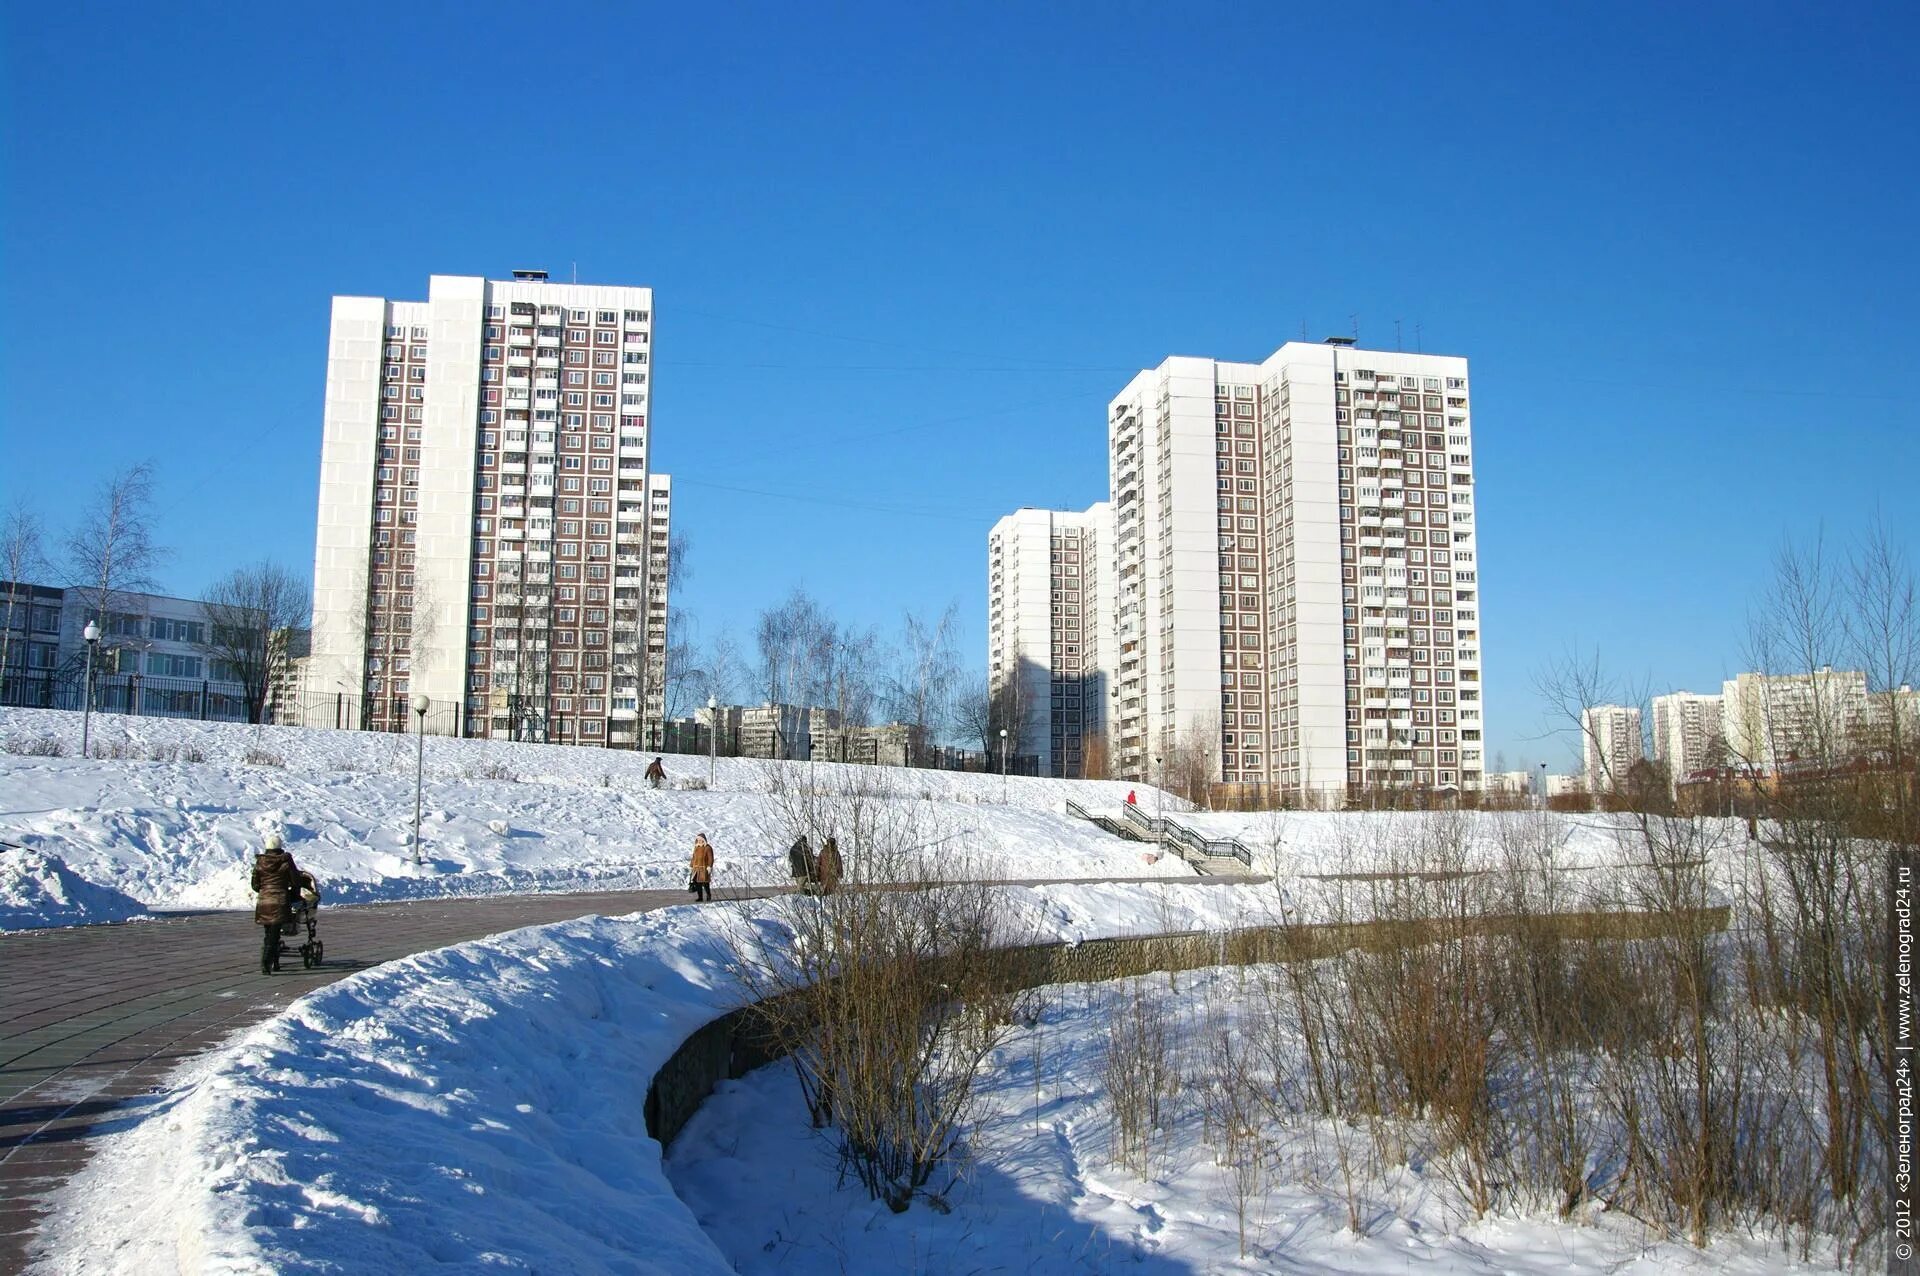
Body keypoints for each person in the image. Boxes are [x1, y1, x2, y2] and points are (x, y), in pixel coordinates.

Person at [251, 832, 301, 973]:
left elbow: (255, 885)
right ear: (280, 847)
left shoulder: (260, 862)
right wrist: (293, 894)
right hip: (280, 901)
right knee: (274, 934)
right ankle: (266, 963)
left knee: (269, 933)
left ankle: (271, 960)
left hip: (264, 902)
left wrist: (265, 890)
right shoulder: (285, 860)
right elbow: (295, 880)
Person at [689, 832, 715, 903]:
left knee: (705, 883)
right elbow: (694, 857)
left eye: (701, 840)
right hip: (696, 869)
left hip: (704, 869)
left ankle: (708, 895)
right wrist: (691, 865)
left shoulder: (708, 848)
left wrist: (709, 866)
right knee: (697, 883)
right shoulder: (696, 847)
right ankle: (700, 897)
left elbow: (711, 858)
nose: (700, 841)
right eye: (698, 840)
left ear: (704, 840)